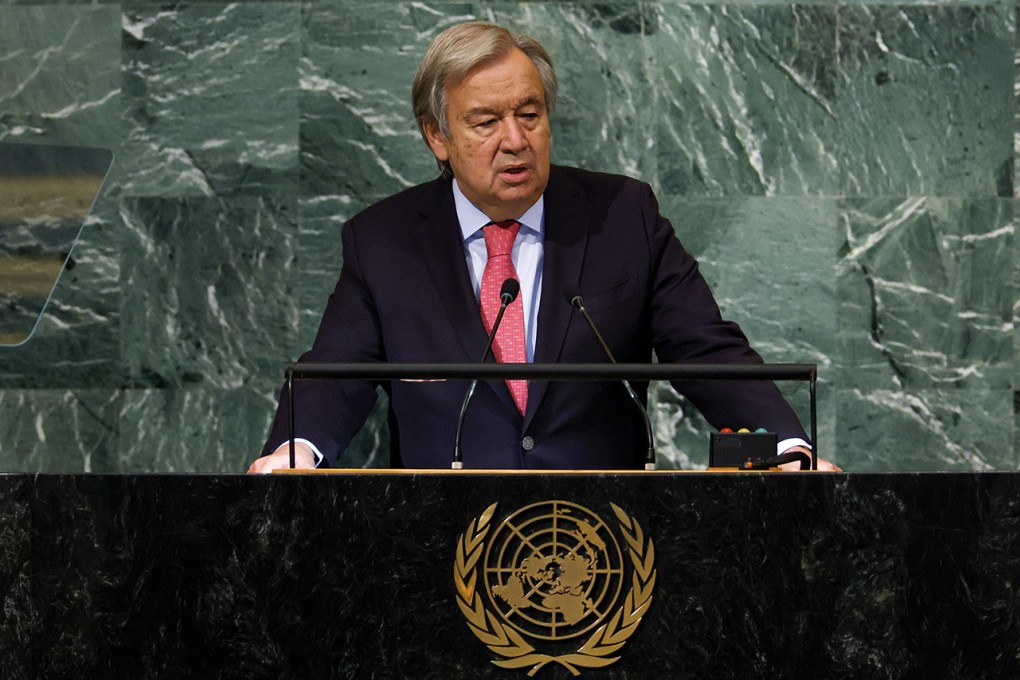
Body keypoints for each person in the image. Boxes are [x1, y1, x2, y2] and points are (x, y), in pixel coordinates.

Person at [249, 21, 839, 473]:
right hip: (438, 547)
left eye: (529, 114)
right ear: (438, 136)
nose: (515, 140)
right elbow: (333, 376)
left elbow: (708, 353)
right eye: (485, 122)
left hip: (609, 544)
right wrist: (295, 451)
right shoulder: (384, 241)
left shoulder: (621, 217)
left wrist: (787, 448)